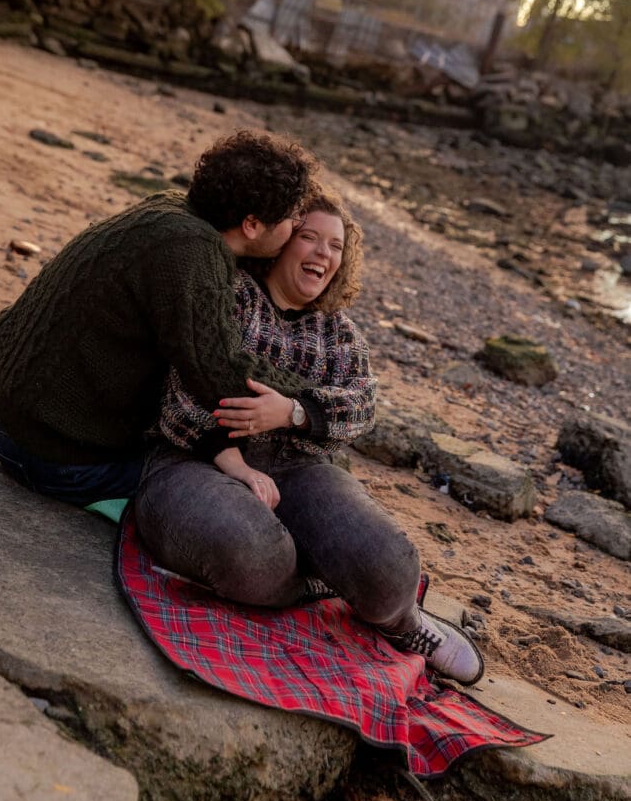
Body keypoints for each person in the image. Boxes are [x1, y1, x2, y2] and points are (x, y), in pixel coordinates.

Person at [135, 188, 484, 686]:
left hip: (298, 465)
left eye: (336, 246)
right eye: (310, 238)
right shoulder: (229, 296)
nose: (323, 253)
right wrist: (236, 463)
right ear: (281, 242)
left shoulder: (337, 334)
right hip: (197, 458)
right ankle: (302, 575)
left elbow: (362, 404)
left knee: (389, 572)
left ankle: (407, 624)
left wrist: (293, 412)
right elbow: (182, 390)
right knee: (253, 558)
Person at [0, 130, 316, 506]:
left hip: (13, 412)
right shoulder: (192, 252)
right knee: (227, 486)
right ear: (252, 224)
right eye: (292, 218)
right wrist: (311, 399)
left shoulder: (171, 207)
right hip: (49, 453)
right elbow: (222, 376)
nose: (297, 227)